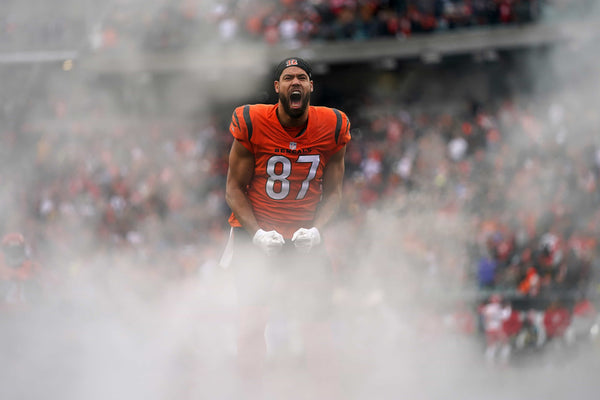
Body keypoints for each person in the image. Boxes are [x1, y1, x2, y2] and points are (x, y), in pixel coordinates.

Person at [221, 56, 351, 397]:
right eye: (288, 77)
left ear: (311, 86)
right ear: (277, 87)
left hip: (305, 235)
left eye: (302, 77)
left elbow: (335, 193)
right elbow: (233, 189)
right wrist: (257, 233)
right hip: (256, 233)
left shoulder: (334, 124)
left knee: (317, 327)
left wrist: (318, 230)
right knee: (251, 324)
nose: (295, 82)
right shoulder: (251, 120)